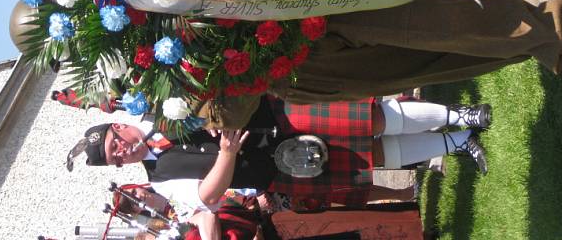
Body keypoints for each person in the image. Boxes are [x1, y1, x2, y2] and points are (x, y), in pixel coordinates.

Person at [68, 98, 491, 216]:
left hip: (279, 114)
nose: (122, 152)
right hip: (278, 167)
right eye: (115, 158)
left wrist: (217, 114)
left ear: (119, 127)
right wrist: (227, 154)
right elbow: (207, 196)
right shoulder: (159, 178)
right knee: (372, 156)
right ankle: (460, 142)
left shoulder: (160, 104)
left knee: (372, 117)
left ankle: (461, 115)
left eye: (115, 143)